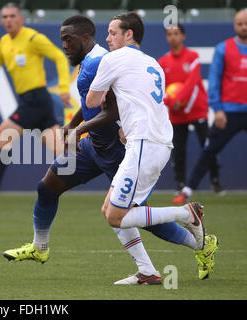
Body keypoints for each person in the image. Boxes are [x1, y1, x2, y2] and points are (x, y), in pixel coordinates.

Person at [2, 15, 218, 284]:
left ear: (85, 38)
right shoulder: (103, 60)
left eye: (67, 40)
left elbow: (111, 107)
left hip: (118, 148)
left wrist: (81, 129)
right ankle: (40, 247)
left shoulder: (105, 61)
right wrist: (73, 123)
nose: (64, 46)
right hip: (94, 145)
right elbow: (93, 102)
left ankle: (193, 246)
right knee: (48, 187)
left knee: (128, 214)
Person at [85, 12, 219, 282]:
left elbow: (91, 101)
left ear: (129, 34)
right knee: (109, 209)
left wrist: (102, 94)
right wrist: (125, 123)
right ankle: (148, 271)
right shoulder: (153, 63)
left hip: (145, 144)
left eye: (112, 32)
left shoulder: (113, 59)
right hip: (152, 142)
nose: (107, 38)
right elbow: (141, 99)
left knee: (115, 216)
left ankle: (186, 213)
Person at [0, 2, 70, 204]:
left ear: (21, 19)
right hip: (34, 101)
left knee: (3, 135)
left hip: (36, 99)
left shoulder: (32, 38)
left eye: (12, 16)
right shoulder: (3, 43)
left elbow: (59, 56)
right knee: (62, 152)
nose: (8, 20)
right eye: (4, 17)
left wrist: (64, 87)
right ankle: (109, 176)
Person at [173, 9, 247, 204]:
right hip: (228, 112)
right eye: (240, 23)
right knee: (209, 150)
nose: (244, 27)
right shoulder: (224, 48)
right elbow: (214, 80)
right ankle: (187, 190)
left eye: (246, 23)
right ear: (234, 25)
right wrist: (218, 109)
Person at [158, 24, 224, 194]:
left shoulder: (193, 57)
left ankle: (215, 182)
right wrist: (172, 103)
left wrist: (178, 99)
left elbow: (192, 82)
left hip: (197, 110)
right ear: (166, 38)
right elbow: (159, 87)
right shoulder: (163, 62)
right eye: (169, 34)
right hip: (176, 113)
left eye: (176, 33)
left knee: (208, 147)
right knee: (178, 150)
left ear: (183, 36)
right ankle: (180, 184)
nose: (173, 37)